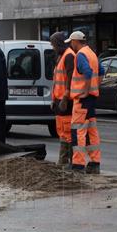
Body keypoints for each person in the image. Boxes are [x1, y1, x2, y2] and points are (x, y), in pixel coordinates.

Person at [66, 31, 101, 174]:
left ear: (75, 41)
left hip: (82, 99)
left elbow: (87, 72)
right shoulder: (91, 53)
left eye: (71, 42)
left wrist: (86, 90)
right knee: (91, 131)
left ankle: (78, 165)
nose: (71, 45)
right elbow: (101, 70)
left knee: (78, 131)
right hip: (91, 99)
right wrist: (95, 88)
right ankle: (94, 163)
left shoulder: (80, 55)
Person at [49, 32, 75, 166]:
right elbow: (57, 80)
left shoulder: (69, 56)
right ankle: (63, 160)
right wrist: (53, 99)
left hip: (66, 100)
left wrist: (65, 97)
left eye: (53, 44)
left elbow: (70, 80)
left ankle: (68, 160)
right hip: (59, 99)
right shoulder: (61, 56)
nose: (52, 47)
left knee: (67, 131)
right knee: (62, 130)